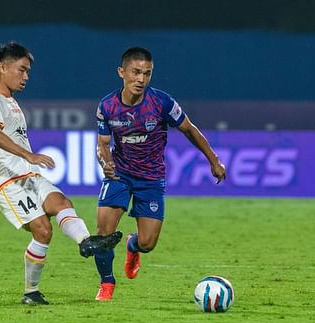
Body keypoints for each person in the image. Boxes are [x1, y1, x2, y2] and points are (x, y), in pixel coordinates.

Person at [0, 41, 122, 305]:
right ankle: (31, 293)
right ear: (3, 67)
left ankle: (87, 242)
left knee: (61, 203)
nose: (26, 76)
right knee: (43, 230)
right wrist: (26, 156)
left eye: (28, 71)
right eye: (22, 70)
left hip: (28, 176)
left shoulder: (12, 104)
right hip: (7, 182)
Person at [93, 47, 226, 301]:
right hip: (119, 175)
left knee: (148, 243)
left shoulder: (161, 102)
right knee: (103, 234)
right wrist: (106, 162)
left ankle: (133, 246)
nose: (141, 79)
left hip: (151, 178)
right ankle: (107, 284)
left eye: (147, 73)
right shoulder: (107, 106)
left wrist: (214, 160)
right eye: (135, 72)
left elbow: (190, 130)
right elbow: (102, 144)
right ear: (122, 72)